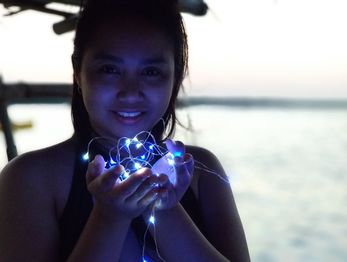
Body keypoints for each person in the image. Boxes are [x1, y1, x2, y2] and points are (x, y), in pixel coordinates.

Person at [0, 0, 250, 261]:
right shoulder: (31, 178)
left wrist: (165, 209)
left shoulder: (201, 172)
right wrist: (109, 218)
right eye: (110, 69)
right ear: (78, 72)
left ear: (175, 76)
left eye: (151, 71)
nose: (130, 91)